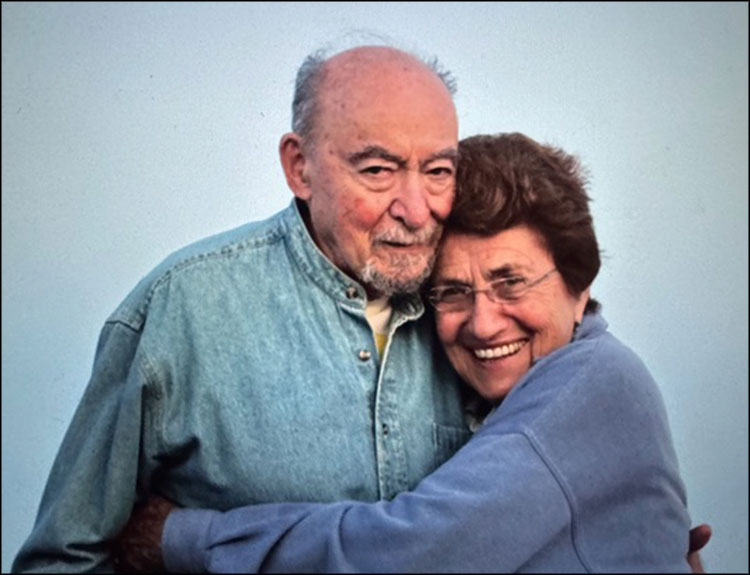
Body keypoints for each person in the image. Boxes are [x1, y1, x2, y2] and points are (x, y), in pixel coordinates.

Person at [115, 133, 701, 573]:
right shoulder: (538, 390)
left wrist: (181, 539)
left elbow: (405, 552)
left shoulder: (592, 381)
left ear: (580, 287)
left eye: (511, 283)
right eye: (453, 292)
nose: (483, 322)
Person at [11, 45, 472, 573]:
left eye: (438, 171)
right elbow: (62, 560)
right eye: (377, 170)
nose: (417, 210)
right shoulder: (181, 309)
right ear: (299, 167)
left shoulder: (485, 316)